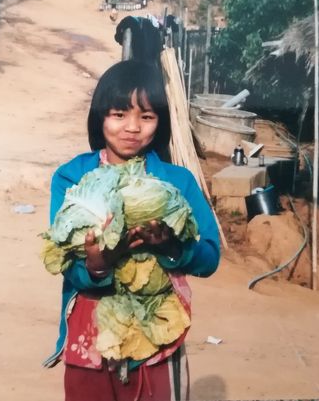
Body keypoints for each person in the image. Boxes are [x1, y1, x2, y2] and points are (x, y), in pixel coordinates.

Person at [43, 60, 220, 401]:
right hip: (89, 336)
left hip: (157, 335)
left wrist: (173, 248)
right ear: (100, 117)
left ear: (161, 122)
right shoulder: (72, 177)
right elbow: (66, 259)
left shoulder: (177, 181)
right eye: (119, 114)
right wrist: (99, 262)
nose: (132, 127)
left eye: (147, 117)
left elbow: (209, 257)